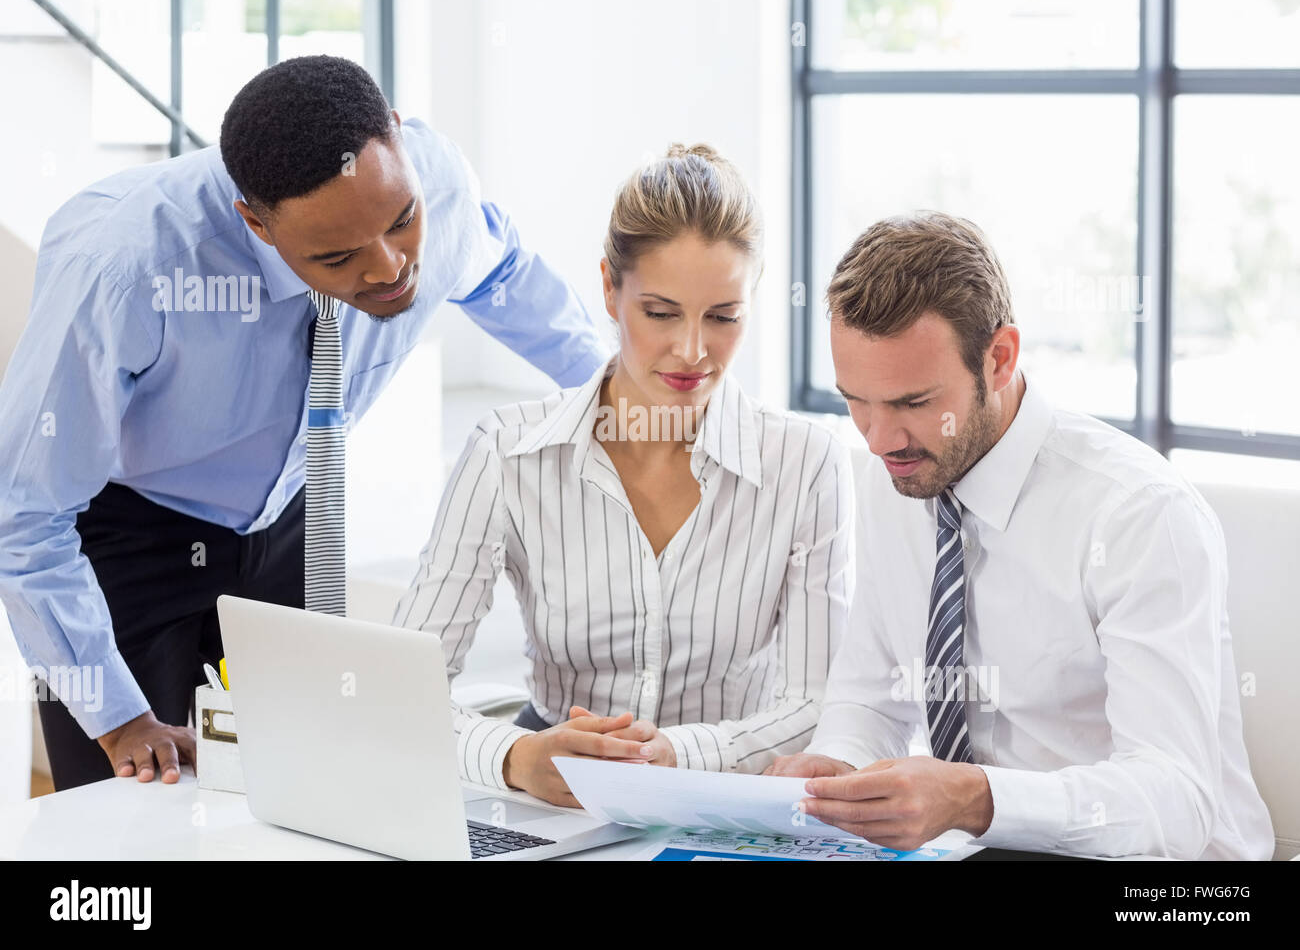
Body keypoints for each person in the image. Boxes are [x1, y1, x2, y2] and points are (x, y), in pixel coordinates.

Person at [0, 55, 608, 791]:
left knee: (305, 786)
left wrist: (616, 400)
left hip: (291, 510)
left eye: (401, 223)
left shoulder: (436, 185)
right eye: (338, 256)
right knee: (135, 810)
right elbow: (24, 513)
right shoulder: (127, 272)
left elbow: (505, 276)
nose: (390, 270)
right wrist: (116, 717)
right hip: (129, 537)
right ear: (254, 222)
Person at [766, 211, 1275, 859]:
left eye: (913, 403)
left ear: (999, 358)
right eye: (855, 400)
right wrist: (837, 764)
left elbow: (1176, 801)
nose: (877, 438)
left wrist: (979, 798)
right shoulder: (896, 474)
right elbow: (872, 696)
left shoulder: (1138, 514)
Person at [394, 144, 854, 806]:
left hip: (722, 801)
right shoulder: (507, 452)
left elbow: (818, 703)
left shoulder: (807, 463)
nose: (692, 351)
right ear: (610, 288)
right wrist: (515, 758)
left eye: (723, 317)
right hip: (553, 799)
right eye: (661, 313)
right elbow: (405, 688)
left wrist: (681, 755)